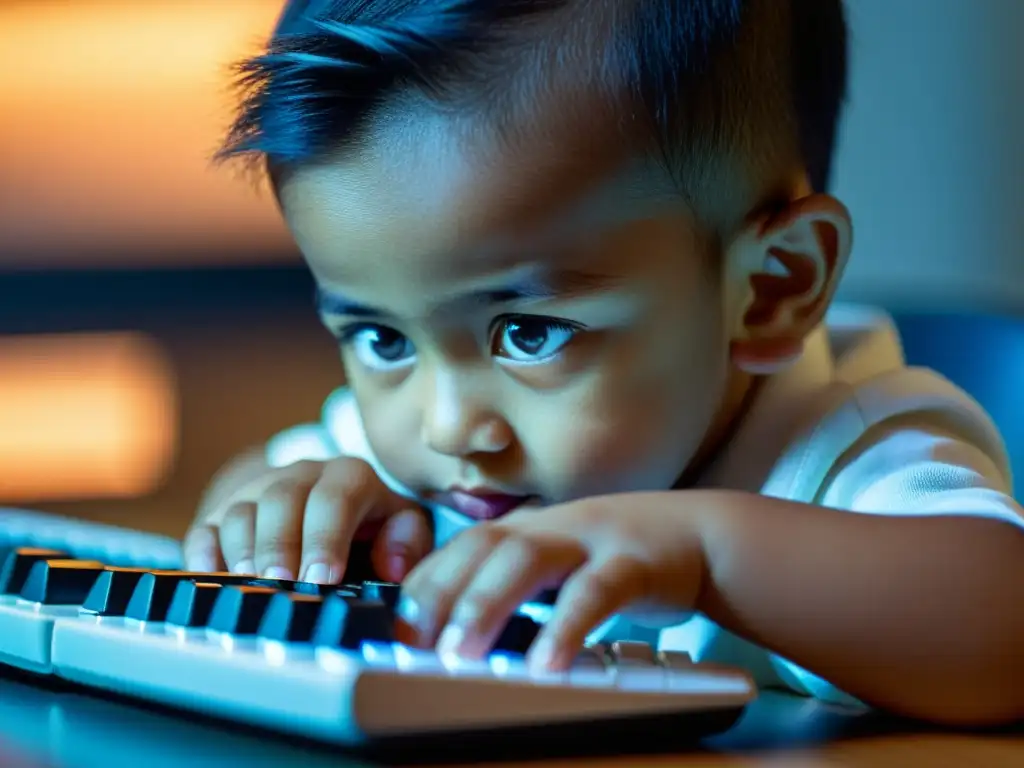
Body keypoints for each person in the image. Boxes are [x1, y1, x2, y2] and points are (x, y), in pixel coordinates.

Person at [184, 0, 1024, 725]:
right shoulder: (432, 472)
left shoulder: (841, 452)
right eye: (383, 340)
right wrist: (285, 513)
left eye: (528, 333)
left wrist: (701, 553)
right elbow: (251, 489)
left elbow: (1003, 628)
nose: (446, 427)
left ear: (772, 287)